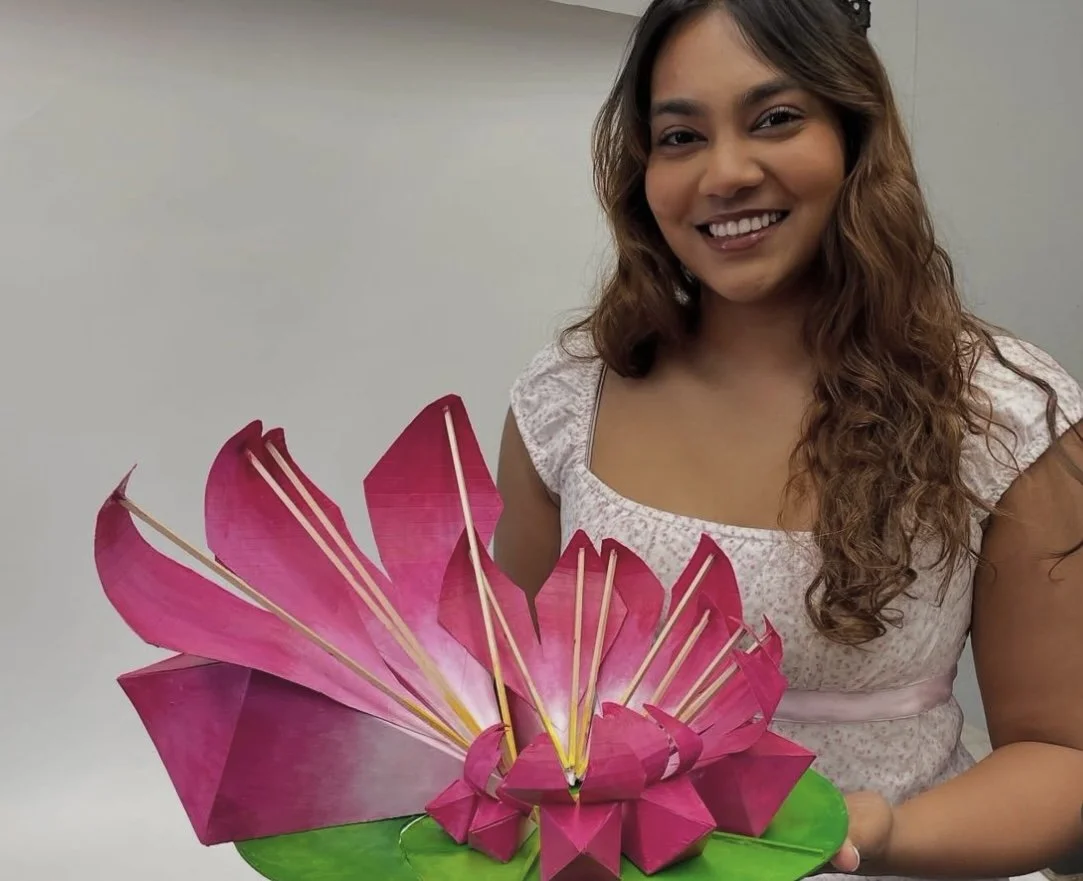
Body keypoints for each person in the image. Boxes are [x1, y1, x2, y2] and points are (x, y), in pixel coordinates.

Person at [490, 1, 1083, 879]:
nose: (724, 173)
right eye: (681, 136)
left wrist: (867, 832)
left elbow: (1060, 756)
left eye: (774, 119)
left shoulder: (1000, 411)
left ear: (855, 135)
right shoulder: (568, 394)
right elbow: (514, 705)